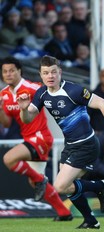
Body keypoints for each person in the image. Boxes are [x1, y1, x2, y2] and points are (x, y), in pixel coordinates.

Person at [16, 55, 104, 229]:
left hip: (86, 144)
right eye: (46, 73)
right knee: (68, 187)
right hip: (70, 145)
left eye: (53, 72)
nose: (50, 76)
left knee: (60, 187)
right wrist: (23, 110)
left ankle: (100, 186)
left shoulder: (74, 91)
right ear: (41, 75)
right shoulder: (41, 93)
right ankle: (91, 220)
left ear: (60, 72)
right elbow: (28, 118)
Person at [0, 56, 72, 221]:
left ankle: (40, 180)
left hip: (41, 137)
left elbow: (48, 91)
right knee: (35, 183)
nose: (8, 74)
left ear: (19, 71)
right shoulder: (3, 95)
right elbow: (6, 123)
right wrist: (0, 110)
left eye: (12, 70)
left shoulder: (31, 87)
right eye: (5, 71)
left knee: (9, 159)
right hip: (30, 139)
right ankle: (64, 213)